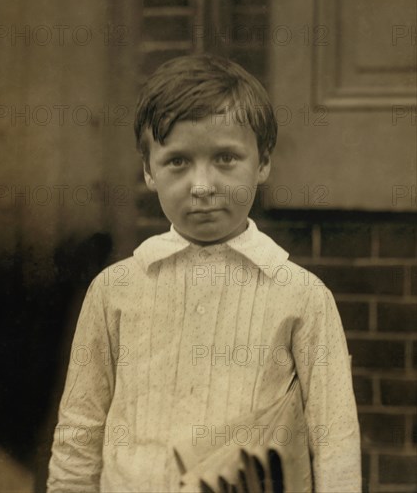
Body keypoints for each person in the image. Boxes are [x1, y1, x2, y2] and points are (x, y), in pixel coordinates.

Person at [47, 54, 361, 492]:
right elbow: (80, 428)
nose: (201, 185)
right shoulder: (114, 290)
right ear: (148, 171)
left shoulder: (302, 296)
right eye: (177, 162)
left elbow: (334, 440)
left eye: (226, 158)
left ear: (263, 162)